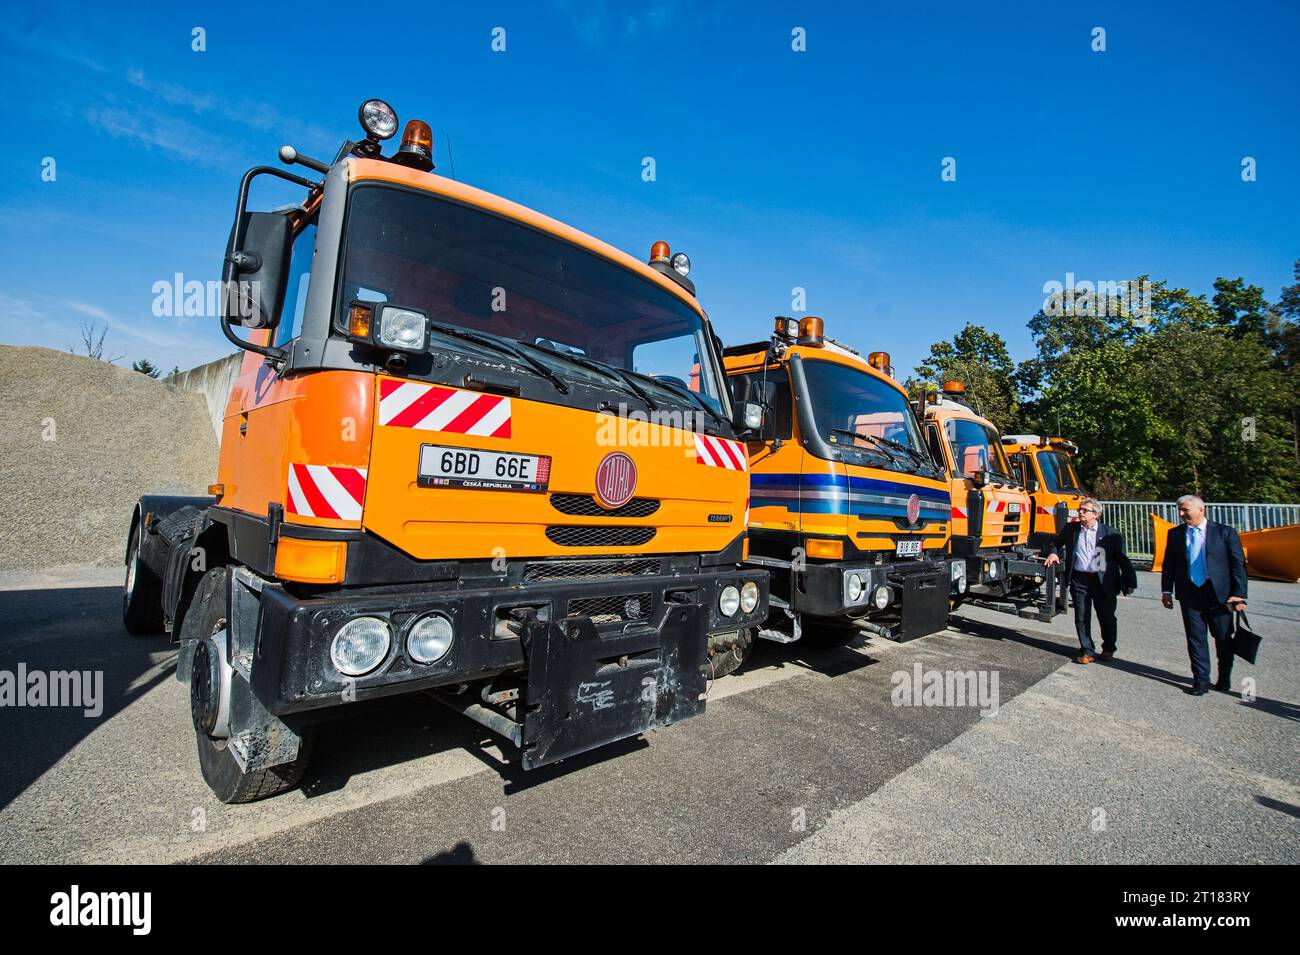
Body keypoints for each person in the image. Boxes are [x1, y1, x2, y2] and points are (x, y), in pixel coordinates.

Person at [1160, 495, 1248, 696]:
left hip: (1220, 595)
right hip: (1190, 593)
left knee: (1223, 637)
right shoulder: (1175, 534)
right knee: (1195, 638)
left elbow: (1238, 565)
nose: (1181, 514)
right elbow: (1169, 565)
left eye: (1185, 510)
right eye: (1180, 510)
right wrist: (1166, 590)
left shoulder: (1224, 533)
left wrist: (1239, 595)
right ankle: (1201, 680)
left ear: (1201, 509)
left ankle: (1224, 677)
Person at [1043, 498, 1137, 664]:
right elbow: (1055, 542)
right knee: (1081, 616)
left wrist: (1130, 582)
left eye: (1084, 510)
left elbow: (1122, 559)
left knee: (1107, 617)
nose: (1080, 512)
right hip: (1080, 579)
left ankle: (1108, 648)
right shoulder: (1071, 529)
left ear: (1095, 514)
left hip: (1103, 581)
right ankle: (1087, 650)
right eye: (1080, 509)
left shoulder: (1111, 534)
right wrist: (1053, 553)